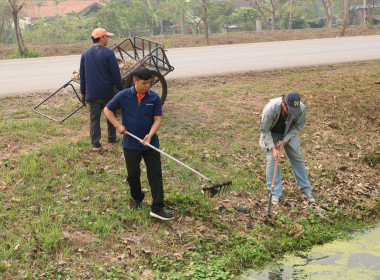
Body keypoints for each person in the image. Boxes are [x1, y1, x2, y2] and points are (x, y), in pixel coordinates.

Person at [103, 67, 174, 221]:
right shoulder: (123, 96)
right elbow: (107, 110)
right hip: (131, 143)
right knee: (133, 174)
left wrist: (150, 134)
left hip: (150, 143)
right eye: (144, 83)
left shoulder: (154, 98)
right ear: (135, 81)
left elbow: (158, 120)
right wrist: (118, 126)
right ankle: (137, 198)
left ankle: (157, 207)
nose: (147, 86)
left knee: (155, 174)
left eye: (149, 82)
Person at [259, 91, 315, 205]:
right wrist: (273, 148)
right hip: (272, 133)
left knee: (297, 156)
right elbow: (265, 130)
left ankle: (305, 188)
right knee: (272, 159)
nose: (291, 112)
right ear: (283, 103)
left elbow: (298, 125)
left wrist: (285, 140)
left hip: (289, 132)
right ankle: (274, 194)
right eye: (289, 109)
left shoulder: (301, 108)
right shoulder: (271, 109)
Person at [79, 28, 123, 152]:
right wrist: (120, 88)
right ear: (101, 38)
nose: (108, 39)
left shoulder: (85, 54)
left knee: (94, 118)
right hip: (107, 92)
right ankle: (111, 139)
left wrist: (83, 92)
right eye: (107, 37)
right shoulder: (108, 53)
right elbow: (115, 74)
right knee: (110, 114)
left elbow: (82, 75)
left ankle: (96, 145)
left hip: (92, 93)